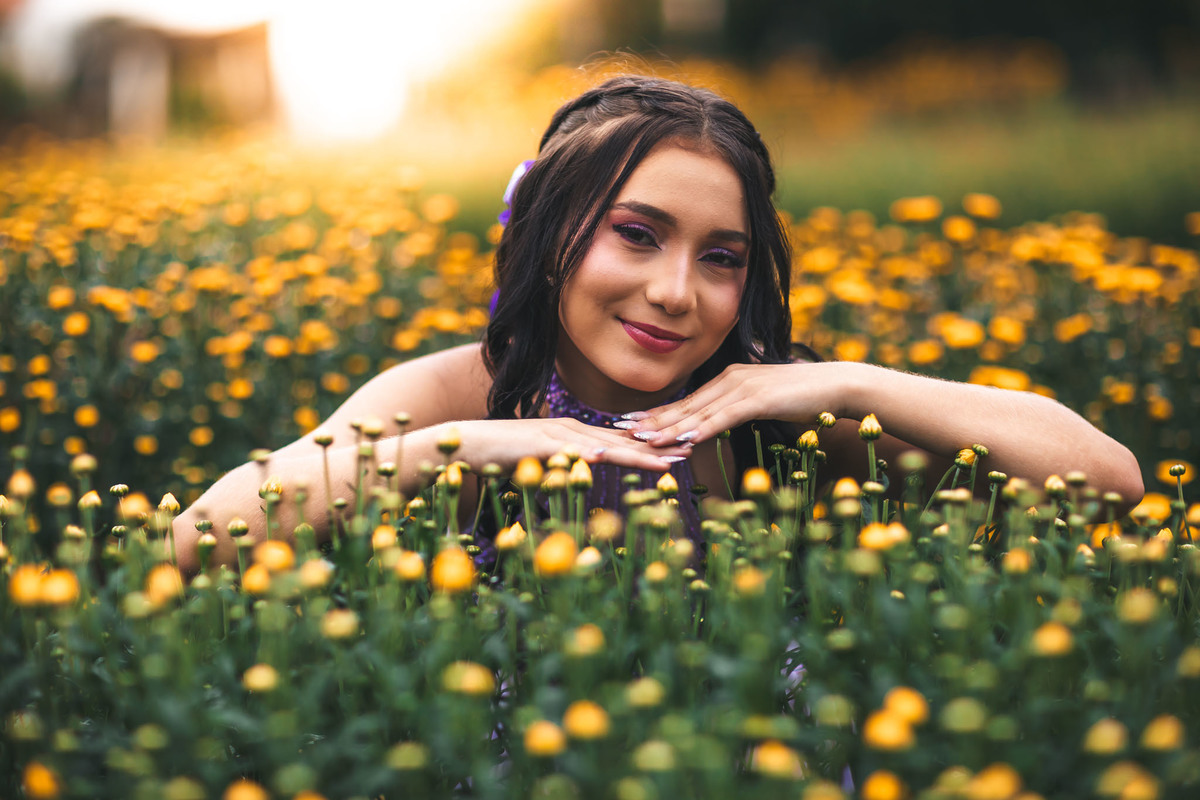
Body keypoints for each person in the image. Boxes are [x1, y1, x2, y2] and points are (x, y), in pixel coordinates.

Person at [172, 75, 1143, 575]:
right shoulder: (456, 393)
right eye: (636, 235)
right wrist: (450, 450)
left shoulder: (770, 419)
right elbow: (200, 541)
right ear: (549, 237)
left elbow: (1108, 485)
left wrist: (850, 386)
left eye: (722, 257)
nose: (678, 292)